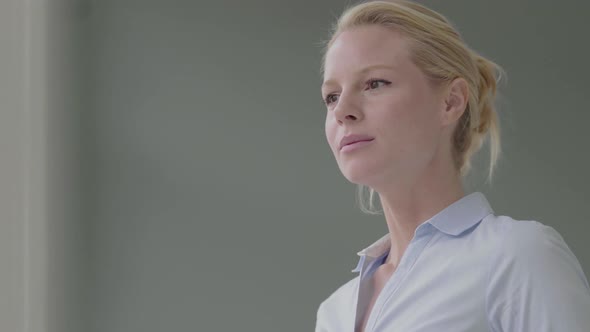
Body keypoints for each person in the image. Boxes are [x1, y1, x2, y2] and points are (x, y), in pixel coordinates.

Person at [314, 1, 590, 331]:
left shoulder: (517, 256)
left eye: (375, 83)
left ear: (451, 101)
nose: (342, 110)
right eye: (331, 96)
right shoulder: (335, 312)